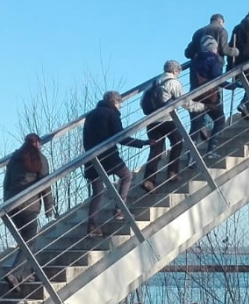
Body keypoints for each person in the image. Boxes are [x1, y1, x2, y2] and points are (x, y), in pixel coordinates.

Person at [82, 91, 149, 237]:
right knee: (126, 176)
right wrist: (142, 143)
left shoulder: (91, 114)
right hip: (108, 157)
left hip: (91, 158)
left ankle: (92, 225)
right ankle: (119, 209)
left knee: (98, 191)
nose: (120, 107)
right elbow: (121, 137)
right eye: (120, 104)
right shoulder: (112, 114)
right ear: (116, 102)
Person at [3, 133, 57, 288]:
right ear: (38, 144)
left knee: (26, 240)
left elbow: (7, 182)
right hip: (29, 206)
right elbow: (45, 184)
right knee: (29, 240)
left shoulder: (15, 158)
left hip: (12, 204)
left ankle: (28, 273)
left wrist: (6, 203)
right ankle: (15, 273)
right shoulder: (40, 159)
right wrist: (49, 206)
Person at [142, 60, 204, 192]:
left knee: (156, 150)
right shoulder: (173, 83)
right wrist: (202, 106)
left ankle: (149, 179)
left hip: (152, 121)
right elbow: (186, 103)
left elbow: (142, 103)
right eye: (178, 73)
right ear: (175, 71)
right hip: (168, 119)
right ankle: (172, 172)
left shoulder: (153, 83)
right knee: (177, 143)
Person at [190, 37, 227, 157]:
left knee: (196, 125)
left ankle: (191, 156)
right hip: (210, 97)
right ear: (214, 48)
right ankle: (211, 150)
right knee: (220, 120)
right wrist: (231, 85)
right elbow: (217, 78)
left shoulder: (195, 58)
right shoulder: (213, 58)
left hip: (195, 95)